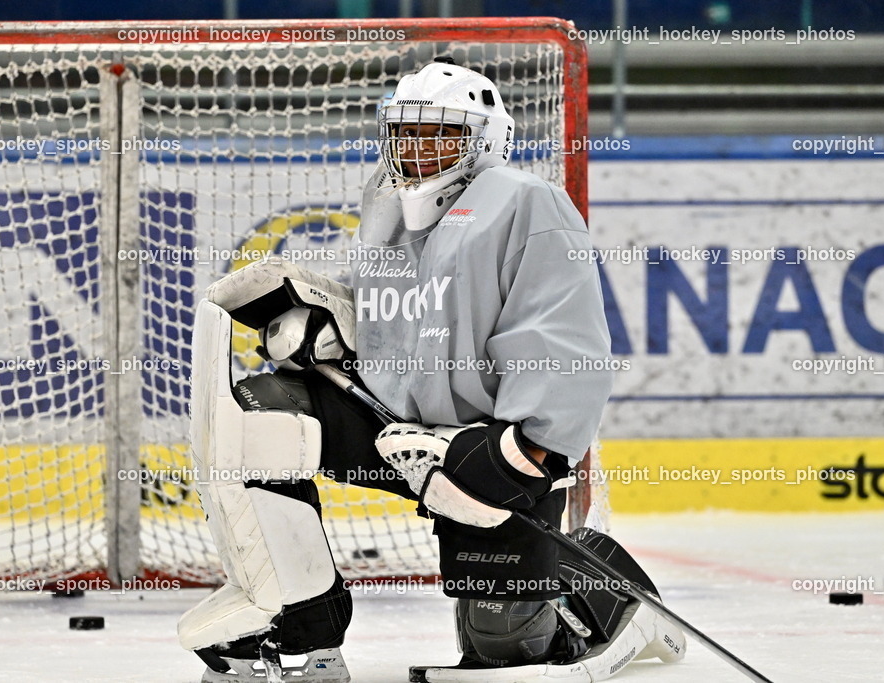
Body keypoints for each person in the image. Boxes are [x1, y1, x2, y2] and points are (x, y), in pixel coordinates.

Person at [178, 60, 685, 682]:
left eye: (440, 134)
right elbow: (394, 315)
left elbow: (563, 343)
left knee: (504, 654)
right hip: (390, 430)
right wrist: (329, 325)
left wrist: (527, 449)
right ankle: (300, 633)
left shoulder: (528, 204)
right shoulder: (384, 201)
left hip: (485, 448)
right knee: (260, 414)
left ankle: (614, 601)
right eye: (406, 133)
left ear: (485, 138)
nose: (417, 150)